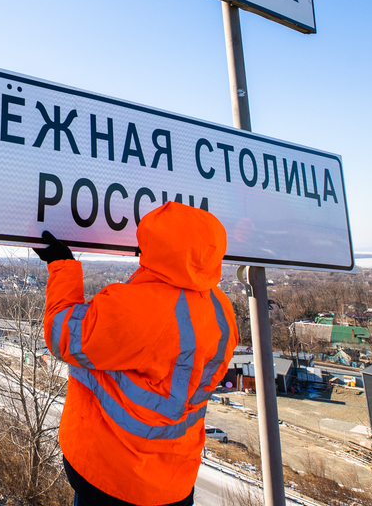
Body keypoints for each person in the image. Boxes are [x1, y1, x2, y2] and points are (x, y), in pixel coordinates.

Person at [34, 202, 237, 506]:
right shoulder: (221, 310)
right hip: (175, 483)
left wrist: (62, 265)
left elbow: (62, 334)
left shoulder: (139, 307)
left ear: (158, 247)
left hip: (114, 479)